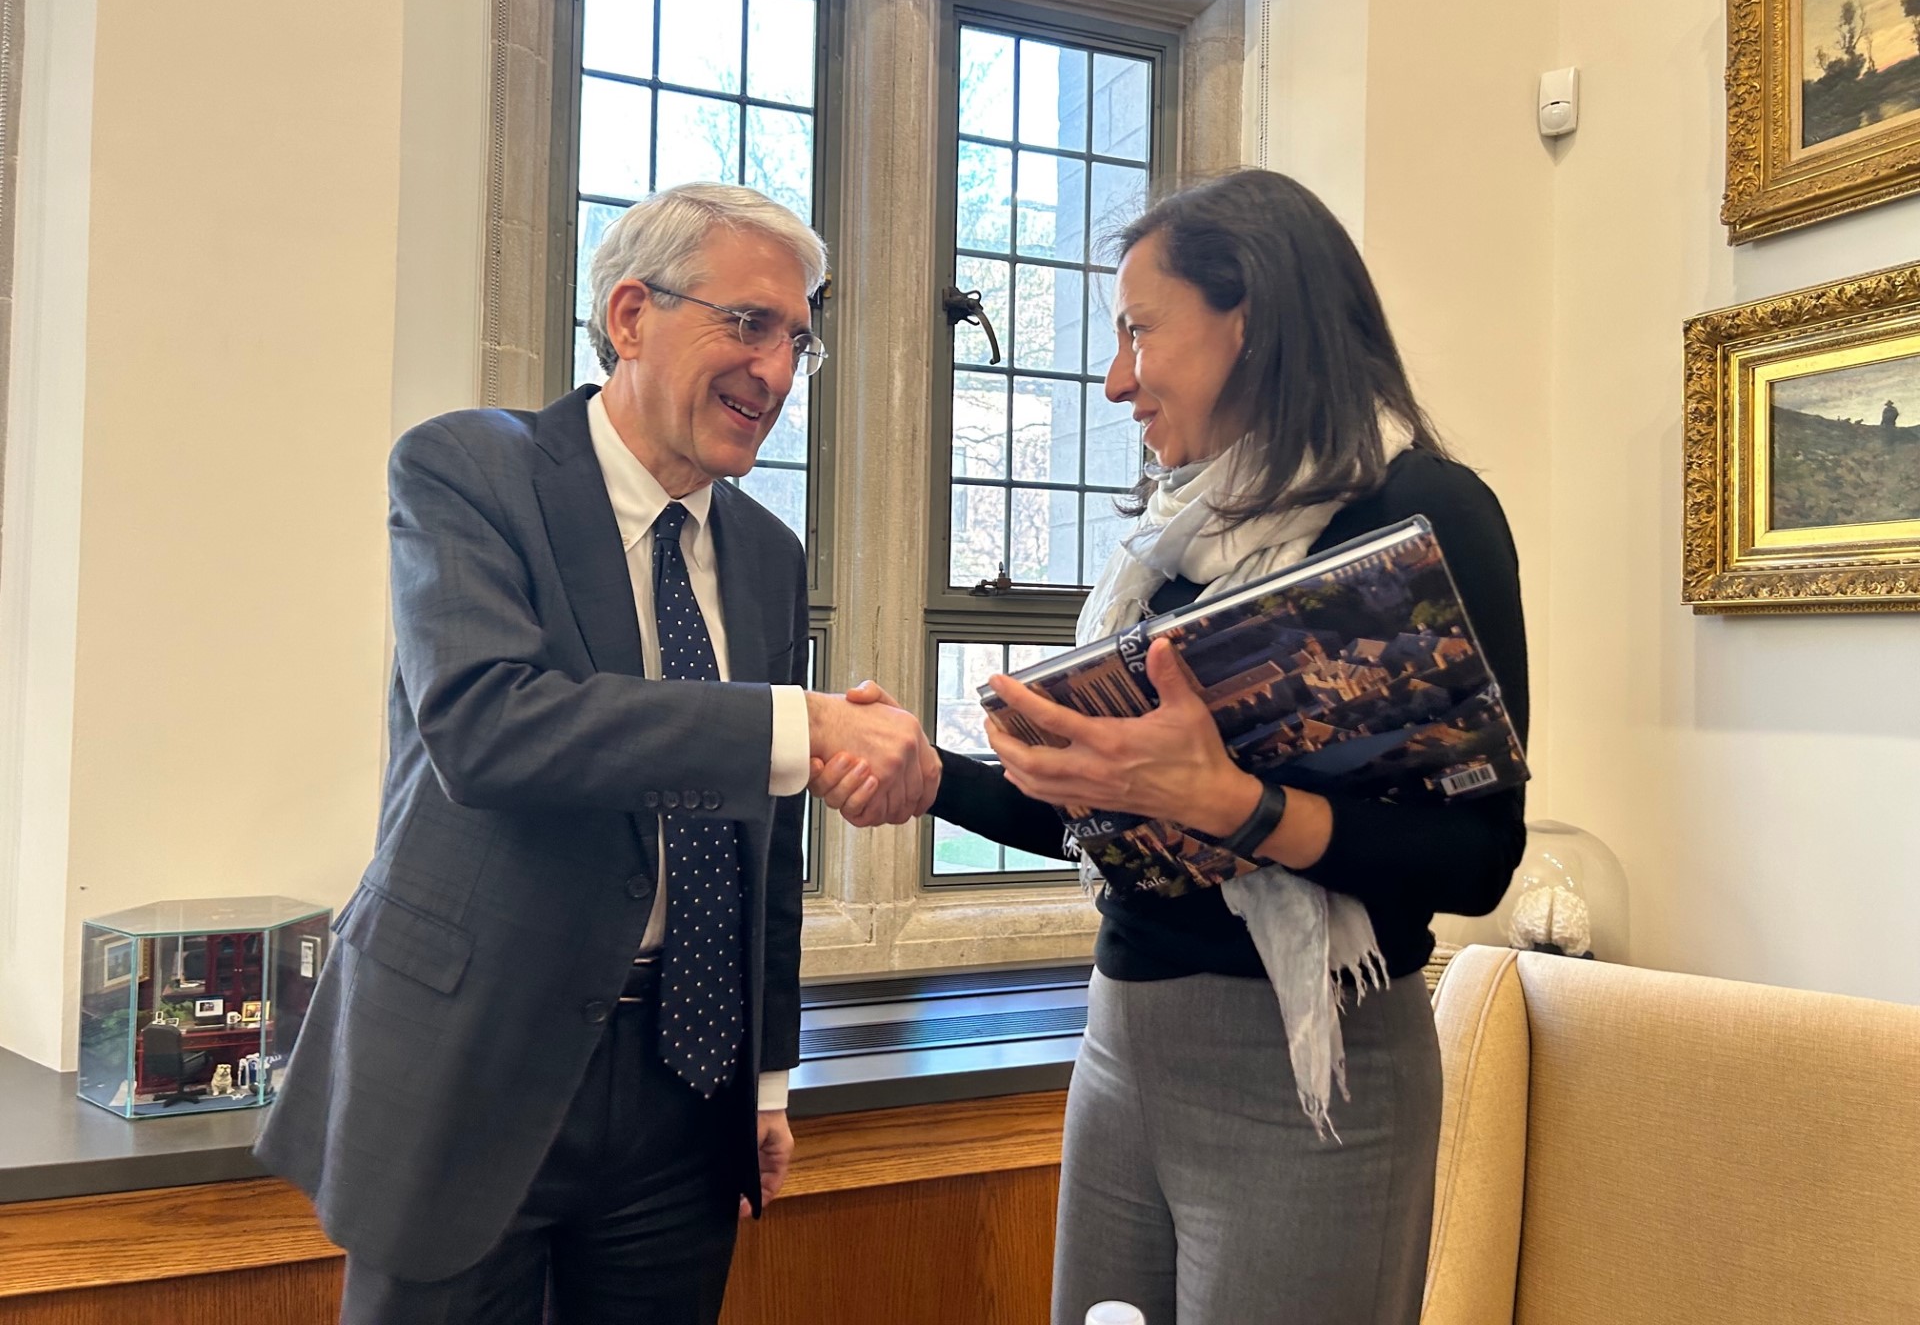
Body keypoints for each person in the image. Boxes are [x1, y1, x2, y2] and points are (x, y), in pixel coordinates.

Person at [815, 169, 1529, 1324]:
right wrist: (932, 775)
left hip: (1314, 1077)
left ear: (1247, 317)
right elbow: (1108, 816)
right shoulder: (1172, 550)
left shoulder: (1423, 515)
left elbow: (1478, 858)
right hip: (1121, 1046)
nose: (1114, 379)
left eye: (1139, 332)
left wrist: (1237, 806)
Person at [259, 183, 936, 1324]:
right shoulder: (469, 472)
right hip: (471, 1075)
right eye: (750, 323)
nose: (775, 372)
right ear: (630, 315)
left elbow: (758, 847)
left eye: (799, 340)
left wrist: (765, 1079)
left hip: (686, 1087)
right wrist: (800, 722)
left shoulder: (767, 554)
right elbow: (490, 726)